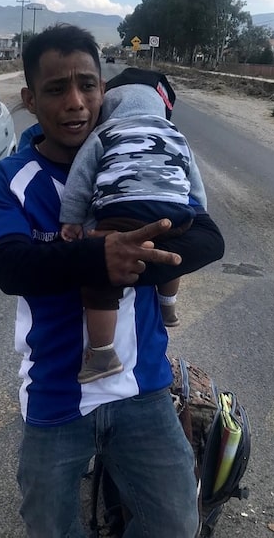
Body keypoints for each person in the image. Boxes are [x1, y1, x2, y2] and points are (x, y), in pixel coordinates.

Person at [0, 23, 201, 537]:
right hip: (56, 391)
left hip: (143, 384)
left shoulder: (142, 156)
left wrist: (145, 253)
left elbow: (207, 236)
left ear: (106, 91)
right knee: (50, 527)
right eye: (57, 90)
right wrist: (98, 256)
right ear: (30, 100)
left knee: (175, 523)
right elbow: (10, 266)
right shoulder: (10, 179)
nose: (76, 102)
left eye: (88, 85)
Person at [60, 81, 224, 383]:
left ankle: (102, 354)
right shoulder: (176, 134)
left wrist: (72, 220)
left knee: (99, 276)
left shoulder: (104, 132)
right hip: (176, 212)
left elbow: (80, 179)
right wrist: (197, 211)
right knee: (171, 250)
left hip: (124, 211)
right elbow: (194, 180)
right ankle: (168, 307)